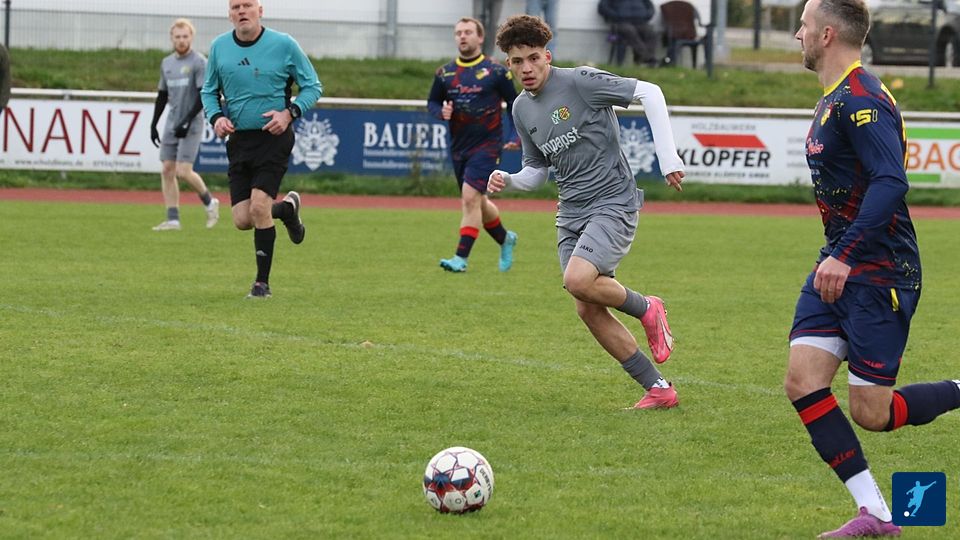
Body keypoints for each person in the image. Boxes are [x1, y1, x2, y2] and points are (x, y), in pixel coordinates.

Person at [787, 0, 960, 536]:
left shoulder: (861, 99)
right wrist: (837, 255)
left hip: (881, 270)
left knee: (872, 413)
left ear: (827, 34)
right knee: (802, 381)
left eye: (804, 26)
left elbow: (891, 182)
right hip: (839, 263)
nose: (797, 35)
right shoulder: (834, 96)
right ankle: (878, 515)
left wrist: (845, 255)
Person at [489, 15, 685, 409]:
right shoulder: (521, 109)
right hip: (570, 213)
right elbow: (536, 171)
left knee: (577, 280)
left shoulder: (580, 81)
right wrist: (508, 179)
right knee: (588, 308)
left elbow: (650, 92)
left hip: (613, 201)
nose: (526, 68)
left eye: (533, 58)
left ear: (547, 56)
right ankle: (658, 388)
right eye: (517, 62)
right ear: (508, 64)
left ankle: (648, 307)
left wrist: (668, 158)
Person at [201, 0, 322, 298]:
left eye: (248, 5)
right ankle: (288, 209)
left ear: (260, 10)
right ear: (229, 14)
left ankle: (261, 285)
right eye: (236, 7)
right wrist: (216, 118)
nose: (242, 11)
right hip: (239, 141)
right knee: (243, 219)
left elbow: (313, 86)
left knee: (258, 207)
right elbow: (208, 91)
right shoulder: (219, 47)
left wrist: (289, 114)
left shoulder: (284, 44)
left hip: (273, 138)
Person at [428, 17, 520, 274]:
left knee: (469, 198)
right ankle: (505, 238)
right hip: (459, 147)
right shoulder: (444, 73)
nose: (462, 36)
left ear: (480, 37)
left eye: (468, 32)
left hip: (488, 145)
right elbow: (432, 102)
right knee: (477, 201)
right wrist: (440, 112)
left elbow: (515, 105)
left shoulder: (496, 71)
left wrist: (516, 135)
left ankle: (460, 258)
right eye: (458, 32)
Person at [150, 18, 220, 231]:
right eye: (177, 37)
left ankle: (210, 202)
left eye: (185, 36)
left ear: (191, 37)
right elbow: (162, 95)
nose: (181, 40)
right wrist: (153, 124)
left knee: (183, 171)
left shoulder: (199, 62)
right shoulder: (167, 63)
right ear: (172, 38)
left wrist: (187, 121)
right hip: (172, 122)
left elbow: (202, 96)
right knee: (167, 169)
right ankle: (173, 219)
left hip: (192, 122)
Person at [598, 0, 659, 67]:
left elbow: (650, 7)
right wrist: (616, 16)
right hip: (621, 22)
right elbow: (603, 7)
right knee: (630, 31)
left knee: (650, 32)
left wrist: (646, 15)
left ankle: (646, 60)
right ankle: (648, 58)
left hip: (640, 21)